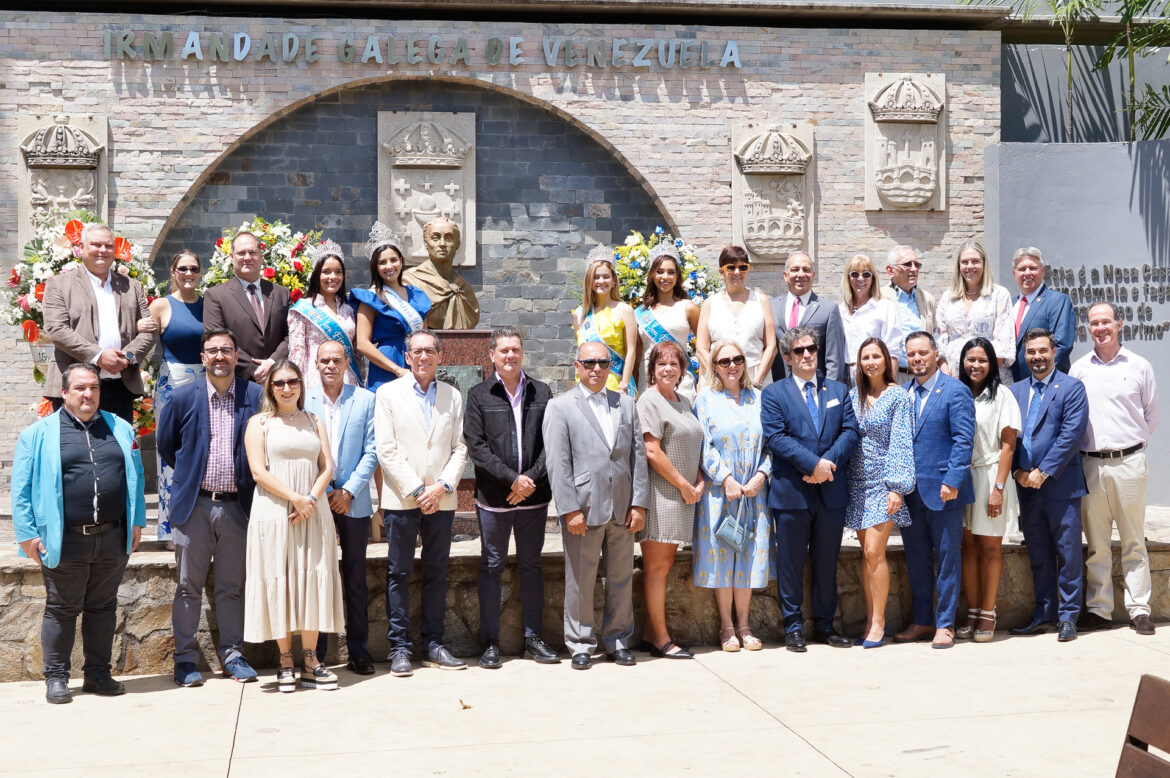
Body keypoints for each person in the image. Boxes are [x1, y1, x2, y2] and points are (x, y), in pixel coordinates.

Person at [12, 363, 146, 704]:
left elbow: (137, 478)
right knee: (61, 607)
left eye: (94, 388)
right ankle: (56, 677)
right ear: (65, 392)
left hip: (112, 536)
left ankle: (98, 674)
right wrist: (27, 534)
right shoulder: (38, 434)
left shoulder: (121, 429)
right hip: (65, 537)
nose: (88, 394)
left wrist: (137, 522)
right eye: (80, 388)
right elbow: (21, 489)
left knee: (103, 607)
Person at [157, 329, 263, 687]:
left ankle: (233, 655)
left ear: (237, 356)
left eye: (226, 350)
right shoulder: (183, 397)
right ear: (202, 357)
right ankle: (185, 660)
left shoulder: (255, 396)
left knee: (232, 587)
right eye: (212, 351)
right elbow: (167, 446)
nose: (220, 356)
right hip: (195, 507)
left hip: (238, 508)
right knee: (188, 586)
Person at [543, 340, 649, 669]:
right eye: (589, 363)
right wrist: (569, 508)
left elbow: (638, 458)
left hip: (621, 506)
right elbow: (557, 464)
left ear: (610, 367)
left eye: (603, 363)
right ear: (576, 366)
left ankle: (618, 638)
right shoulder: (561, 407)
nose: (596, 369)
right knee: (580, 578)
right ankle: (580, 643)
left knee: (621, 576)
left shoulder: (626, 404)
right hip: (583, 509)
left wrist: (639, 503)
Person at [243, 360, 345, 691]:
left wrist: (311, 500)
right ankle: (286, 661)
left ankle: (312, 659)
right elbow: (258, 471)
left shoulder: (314, 420)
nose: (287, 388)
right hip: (275, 512)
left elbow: (327, 465)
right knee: (281, 580)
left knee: (313, 578)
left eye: (293, 381)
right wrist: (295, 499)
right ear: (269, 389)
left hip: (313, 513)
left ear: (301, 384)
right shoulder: (259, 424)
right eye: (279, 383)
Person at [462, 327, 559, 668]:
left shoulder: (543, 393)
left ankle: (533, 638)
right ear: (491, 355)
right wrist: (511, 480)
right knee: (492, 565)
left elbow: (552, 443)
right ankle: (490, 643)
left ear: (522, 352)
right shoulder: (477, 395)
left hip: (534, 497)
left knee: (531, 566)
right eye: (503, 350)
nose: (510, 356)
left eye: (515, 349)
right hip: (494, 498)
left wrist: (529, 479)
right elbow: (476, 447)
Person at [375, 330, 469, 676]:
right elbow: (386, 449)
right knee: (398, 573)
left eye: (430, 351)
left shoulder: (452, 396)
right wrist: (418, 490)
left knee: (436, 573)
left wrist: (441, 487)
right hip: (402, 498)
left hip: (441, 500)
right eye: (418, 351)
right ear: (407, 356)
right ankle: (399, 647)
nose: (424, 357)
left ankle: (434, 643)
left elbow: (460, 447)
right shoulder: (387, 394)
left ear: (439, 356)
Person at [761, 326, 860, 653]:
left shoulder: (839, 390)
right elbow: (775, 437)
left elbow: (849, 431)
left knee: (826, 559)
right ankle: (792, 627)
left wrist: (826, 464)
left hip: (830, 490)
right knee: (790, 562)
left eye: (811, 349)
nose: (807, 355)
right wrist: (812, 465)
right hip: (793, 492)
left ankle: (825, 624)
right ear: (787, 358)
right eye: (799, 351)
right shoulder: (774, 394)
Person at [1071, 302, 1158, 636]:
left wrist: (1128, 445)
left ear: (1118, 324)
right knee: (1096, 541)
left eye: (1106, 321)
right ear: (1088, 328)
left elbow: (1150, 416)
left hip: (1129, 463)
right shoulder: (1079, 369)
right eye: (1094, 323)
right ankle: (1099, 609)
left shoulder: (1139, 366)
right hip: (1091, 464)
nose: (1100, 328)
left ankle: (1139, 609)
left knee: (1134, 539)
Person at [894, 331, 975, 650]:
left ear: (936, 354)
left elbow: (963, 439)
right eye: (911, 354)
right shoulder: (902, 393)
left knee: (947, 558)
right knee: (916, 559)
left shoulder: (955, 391)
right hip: (910, 493)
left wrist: (953, 480)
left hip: (944, 491)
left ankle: (945, 624)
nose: (916, 359)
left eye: (922, 353)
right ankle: (923, 619)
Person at [1008, 328, 1089, 642]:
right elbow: (1008, 437)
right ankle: (1044, 612)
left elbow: (1071, 435)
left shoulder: (1071, 387)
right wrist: (1017, 472)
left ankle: (1068, 617)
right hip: (1026, 488)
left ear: (1054, 352)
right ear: (1024, 355)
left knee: (1067, 553)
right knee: (1039, 553)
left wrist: (1043, 471)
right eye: (1031, 352)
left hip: (1060, 486)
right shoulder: (1014, 391)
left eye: (1043, 351)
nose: (1037, 357)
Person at [692, 339, 773, 652]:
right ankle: (727, 627)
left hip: (754, 490)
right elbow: (705, 445)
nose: (732, 366)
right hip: (721, 491)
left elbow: (772, 443)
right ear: (714, 366)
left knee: (749, 556)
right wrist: (725, 478)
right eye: (724, 361)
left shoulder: (760, 398)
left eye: (737, 359)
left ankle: (745, 624)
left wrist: (762, 475)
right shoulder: (706, 400)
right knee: (723, 556)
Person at [306, 341, 379, 674]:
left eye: (337, 359)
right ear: (316, 363)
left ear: (347, 362)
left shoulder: (365, 400)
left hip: (354, 500)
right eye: (325, 360)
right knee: (318, 576)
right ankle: (316, 652)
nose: (331, 365)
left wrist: (348, 490)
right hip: (316, 499)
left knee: (355, 577)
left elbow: (373, 450)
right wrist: (322, 493)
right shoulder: (302, 400)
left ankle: (358, 650)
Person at [41, 223, 157, 423]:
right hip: (76, 387)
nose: (103, 250)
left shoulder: (132, 286)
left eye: (108, 246)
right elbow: (57, 330)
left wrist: (127, 357)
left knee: (118, 450)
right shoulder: (59, 285)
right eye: (96, 244)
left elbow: (150, 329)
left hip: (120, 386)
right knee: (74, 451)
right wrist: (98, 356)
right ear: (82, 248)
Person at [845, 338, 915, 648]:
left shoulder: (898, 396)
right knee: (866, 555)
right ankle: (871, 615)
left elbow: (901, 441)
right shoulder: (852, 396)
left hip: (883, 484)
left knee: (875, 551)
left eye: (876, 356)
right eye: (865, 358)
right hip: (855, 483)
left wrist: (897, 487)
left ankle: (879, 621)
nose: (871, 362)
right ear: (858, 364)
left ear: (886, 361)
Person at [636, 340, 704, 659]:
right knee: (657, 569)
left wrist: (699, 480)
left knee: (666, 565)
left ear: (682, 370)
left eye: (674, 364)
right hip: (663, 495)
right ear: (652, 369)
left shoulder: (683, 402)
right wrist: (684, 485)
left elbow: (694, 444)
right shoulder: (649, 401)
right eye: (661, 363)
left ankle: (651, 633)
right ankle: (663, 641)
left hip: (683, 496)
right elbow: (652, 451)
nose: (668, 369)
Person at [955, 337, 1020, 643]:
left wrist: (998, 488)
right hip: (960, 478)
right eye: (970, 359)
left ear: (992, 363)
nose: (976, 365)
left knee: (990, 546)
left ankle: (988, 612)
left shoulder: (1002, 395)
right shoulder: (956, 392)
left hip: (990, 476)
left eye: (982, 360)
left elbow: (1008, 446)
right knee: (966, 546)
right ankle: (971, 610)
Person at [148, 249, 206, 546]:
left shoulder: (208, 305)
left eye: (193, 268)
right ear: (173, 272)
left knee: (201, 451)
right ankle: (169, 528)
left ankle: (197, 524)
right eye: (182, 268)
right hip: (172, 383)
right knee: (170, 454)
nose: (188, 273)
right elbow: (143, 333)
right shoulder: (161, 305)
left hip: (205, 382)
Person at [351, 221, 431, 391]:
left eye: (393, 260)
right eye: (382, 262)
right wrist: (397, 370)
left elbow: (425, 334)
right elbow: (363, 344)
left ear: (401, 262)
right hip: (385, 365)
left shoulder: (417, 295)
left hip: (417, 361)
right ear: (375, 267)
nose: (389, 266)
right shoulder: (371, 297)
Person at [203, 231, 291, 383]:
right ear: (232, 257)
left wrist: (272, 363)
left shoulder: (281, 293)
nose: (247, 258)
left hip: (278, 379)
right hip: (237, 381)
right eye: (241, 253)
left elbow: (293, 334)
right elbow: (216, 339)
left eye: (252, 252)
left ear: (261, 256)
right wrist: (253, 370)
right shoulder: (216, 295)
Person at [933, 240, 1015, 383]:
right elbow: (939, 339)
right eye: (965, 262)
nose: (970, 266)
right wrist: (946, 373)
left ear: (984, 264)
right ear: (958, 266)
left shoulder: (999, 295)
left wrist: (979, 377)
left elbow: (1004, 341)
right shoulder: (948, 297)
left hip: (989, 378)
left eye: (975, 261)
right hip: (953, 378)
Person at [696, 245, 776, 389]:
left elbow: (771, 346)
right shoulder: (709, 304)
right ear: (721, 271)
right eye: (731, 268)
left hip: (755, 376)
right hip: (717, 380)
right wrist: (718, 376)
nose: (737, 272)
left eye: (742, 267)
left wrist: (758, 380)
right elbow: (701, 348)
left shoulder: (761, 301)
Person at [288, 241, 363, 392]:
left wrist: (362, 378)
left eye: (338, 272)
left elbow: (356, 354)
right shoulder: (303, 309)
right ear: (317, 275)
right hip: (314, 379)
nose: (333, 277)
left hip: (347, 379)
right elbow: (297, 354)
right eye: (326, 271)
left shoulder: (348, 310)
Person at [769, 251, 847, 384]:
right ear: (785, 275)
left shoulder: (828, 309)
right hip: (780, 388)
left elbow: (835, 360)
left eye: (806, 269)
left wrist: (829, 393)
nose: (801, 274)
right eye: (795, 269)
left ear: (813, 275)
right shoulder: (771, 307)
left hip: (816, 389)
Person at [635, 243, 700, 400]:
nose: (665, 277)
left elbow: (704, 347)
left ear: (677, 276)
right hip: (648, 379)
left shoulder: (688, 308)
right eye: (660, 271)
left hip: (681, 380)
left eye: (671, 272)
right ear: (652, 275)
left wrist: (702, 381)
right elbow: (637, 355)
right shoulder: (640, 313)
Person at [572, 246, 639, 396]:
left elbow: (631, 351)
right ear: (589, 280)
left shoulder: (625, 310)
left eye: (606, 276)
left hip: (615, 384)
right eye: (596, 277)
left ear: (614, 279)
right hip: (586, 384)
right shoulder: (580, 314)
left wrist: (624, 384)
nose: (601, 281)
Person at [401, 216, 479, 329]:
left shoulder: (464, 288)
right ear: (426, 243)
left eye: (449, 238)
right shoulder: (410, 281)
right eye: (435, 238)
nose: (442, 243)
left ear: (457, 244)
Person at [1010, 246, 1076, 382]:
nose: (1027, 273)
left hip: (1045, 382)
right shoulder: (1008, 305)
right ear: (1014, 273)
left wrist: (1039, 377)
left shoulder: (1057, 301)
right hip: (1011, 385)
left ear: (1042, 270)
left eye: (1032, 268)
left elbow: (1062, 345)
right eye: (1022, 269)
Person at [838, 253, 903, 382]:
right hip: (842, 376)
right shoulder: (840, 310)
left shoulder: (885, 307)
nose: (860, 279)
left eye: (866, 274)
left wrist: (890, 386)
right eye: (855, 274)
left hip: (872, 374)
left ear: (873, 278)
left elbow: (893, 351)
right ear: (848, 278)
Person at [881, 245, 937, 382]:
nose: (914, 269)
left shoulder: (927, 299)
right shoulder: (879, 298)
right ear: (890, 270)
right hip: (892, 376)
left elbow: (936, 336)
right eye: (907, 264)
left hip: (924, 376)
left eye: (917, 265)